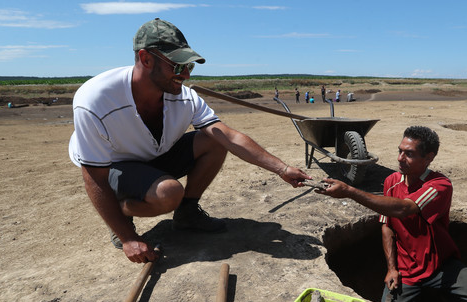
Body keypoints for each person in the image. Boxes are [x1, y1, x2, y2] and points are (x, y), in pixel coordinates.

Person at [68, 18, 310, 263]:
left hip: (154, 155)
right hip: (116, 167)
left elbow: (228, 136)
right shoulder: (96, 100)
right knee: (169, 193)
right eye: (177, 66)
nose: (184, 74)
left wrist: (282, 168)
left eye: (189, 66)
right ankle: (121, 211)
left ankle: (188, 214)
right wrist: (128, 237)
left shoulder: (184, 97)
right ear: (146, 59)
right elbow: (93, 177)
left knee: (215, 139)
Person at [316, 126, 467, 302]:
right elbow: (387, 227)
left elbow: (403, 208)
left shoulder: (439, 185)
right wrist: (392, 268)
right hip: (406, 270)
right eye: (400, 151)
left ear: (429, 158)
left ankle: (443, 299)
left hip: (440, 266)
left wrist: (350, 191)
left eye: (409, 154)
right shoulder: (391, 182)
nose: (400, 158)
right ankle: (423, 294)